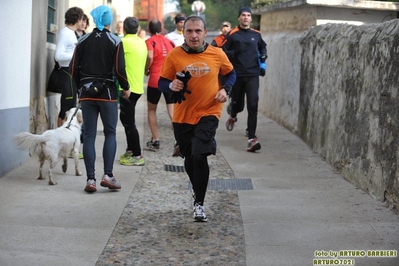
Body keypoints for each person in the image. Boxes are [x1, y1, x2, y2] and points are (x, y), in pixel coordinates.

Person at [158, 15, 236, 222]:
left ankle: (199, 204)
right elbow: (161, 82)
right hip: (182, 115)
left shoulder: (217, 54)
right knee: (190, 158)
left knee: (201, 155)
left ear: (204, 32)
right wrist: (170, 86)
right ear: (184, 32)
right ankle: (196, 186)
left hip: (209, 111)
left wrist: (225, 90)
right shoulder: (174, 55)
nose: (194, 35)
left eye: (198, 31)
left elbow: (231, 74)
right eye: (189, 31)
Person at [70, 5, 131, 193]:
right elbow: (120, 69)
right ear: (109, 20)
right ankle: (108, 175)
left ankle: (90, 180)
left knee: (89, 134)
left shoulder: (83, 39)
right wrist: (126, 87)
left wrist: (81, 87)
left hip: (87, 93)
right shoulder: (115, 40)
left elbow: (73, 69)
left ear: (94, 18)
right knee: (110, 133)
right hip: (108, 94)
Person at [222, 7, 267, 152]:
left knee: (253, 105)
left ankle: (251, 139)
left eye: (248, 15)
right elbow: (222, 53)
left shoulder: (256, 35)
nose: (246, 18)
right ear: (239, 18)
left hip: (253, 74)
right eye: (243, 15)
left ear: (251, 19)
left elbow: (263, 48)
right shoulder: (232, 35)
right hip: (237, 75)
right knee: (239, 105)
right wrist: (234, 53)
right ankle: (233, 114)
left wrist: (263, 59)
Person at [118, 17, 148, 166]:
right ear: (137, 29)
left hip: (126, 89)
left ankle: (137, 155)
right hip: (137, 87)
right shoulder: (142, 42)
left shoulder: (122, 42)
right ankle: (130, 150)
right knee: (125, 119)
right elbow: (149, 58)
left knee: (129, 122)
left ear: (124, 28)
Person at [144, 20, 175, 151]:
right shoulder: (170, 42)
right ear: (161, 28)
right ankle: (179, 140)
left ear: (149, 29)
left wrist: (146, 68)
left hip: (155, 79)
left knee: (152, 110)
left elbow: (150, 56)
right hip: (169, 79)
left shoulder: (150, 41)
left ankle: (155, 140)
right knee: (172, 108)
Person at [55, 6, 84, 127]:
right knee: (66, 108)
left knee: (70, 106)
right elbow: (58, 56)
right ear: (77, 19)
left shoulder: (71, 33)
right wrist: (76, 55)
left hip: (71, 73)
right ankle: (60, 135)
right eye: (81, 19)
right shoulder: (65, 33)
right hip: (66, 73)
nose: (83, 22)